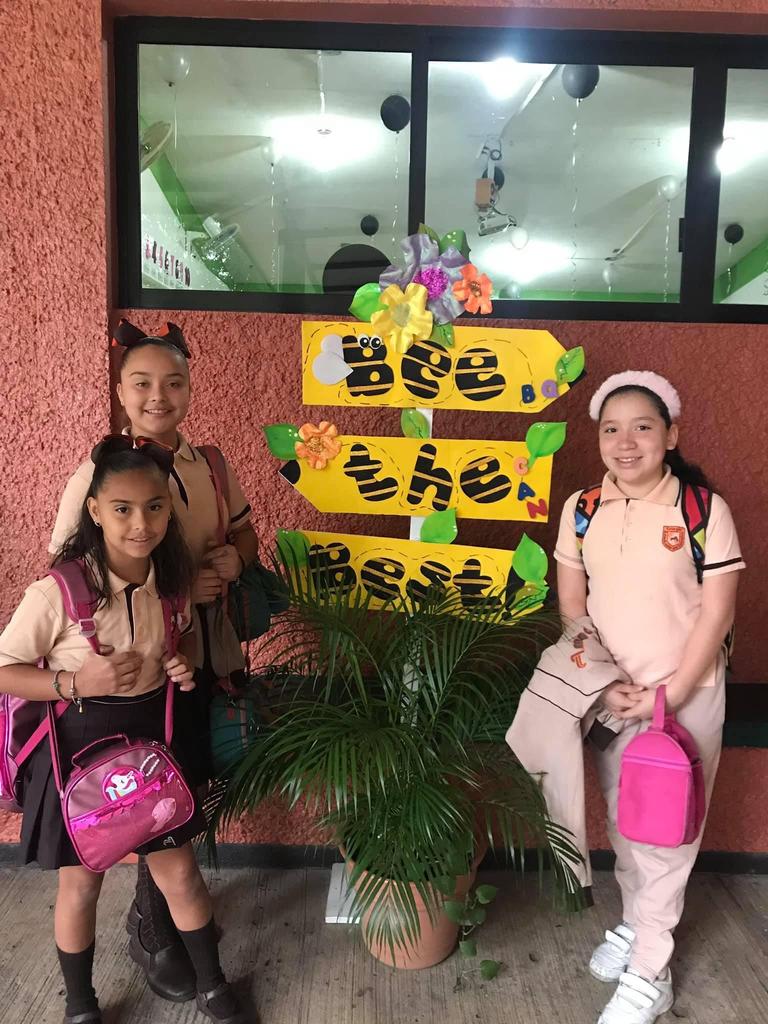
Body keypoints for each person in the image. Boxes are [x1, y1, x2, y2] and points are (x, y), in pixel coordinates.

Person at [0, 438, 248, 1024]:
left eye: (155, 507)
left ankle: (212, 986)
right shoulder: (57, 592)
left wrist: (180, 661)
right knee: (81, 886)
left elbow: (181, 638)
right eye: (122, 509)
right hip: (76, 757)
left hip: (152, 750)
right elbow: (5, 668)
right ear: (94, 511)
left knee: (180, 874)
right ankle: (80, 1004)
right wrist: (73, 681)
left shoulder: (172, 581)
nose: (141, 523)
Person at [49, 320, 260, 1003]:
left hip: (200, 662)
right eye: (141, 383)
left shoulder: (210, 464)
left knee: (180, 787)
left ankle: (170, 910)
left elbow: (246, 536)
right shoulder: (101, 472)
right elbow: (68, 572)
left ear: (191, 388)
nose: (157, 396)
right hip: (132, 677)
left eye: (173, 382)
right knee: (143, 793)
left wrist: (233, 562)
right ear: (120, 391)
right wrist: (170, 594)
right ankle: (150, 929)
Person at [555, 371, 744, 1024]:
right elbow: (573, 605)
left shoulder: (702, 511)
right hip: (611, 697)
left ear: (671, 435)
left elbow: (717, 612)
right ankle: (639, 923)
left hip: (684, 701)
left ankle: (651, 970)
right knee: (627, 823)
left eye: (642, 427)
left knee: (667, 836)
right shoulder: (583, 509)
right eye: (611, 429)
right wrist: (603, 681)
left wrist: (671, 692)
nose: (625, 442)